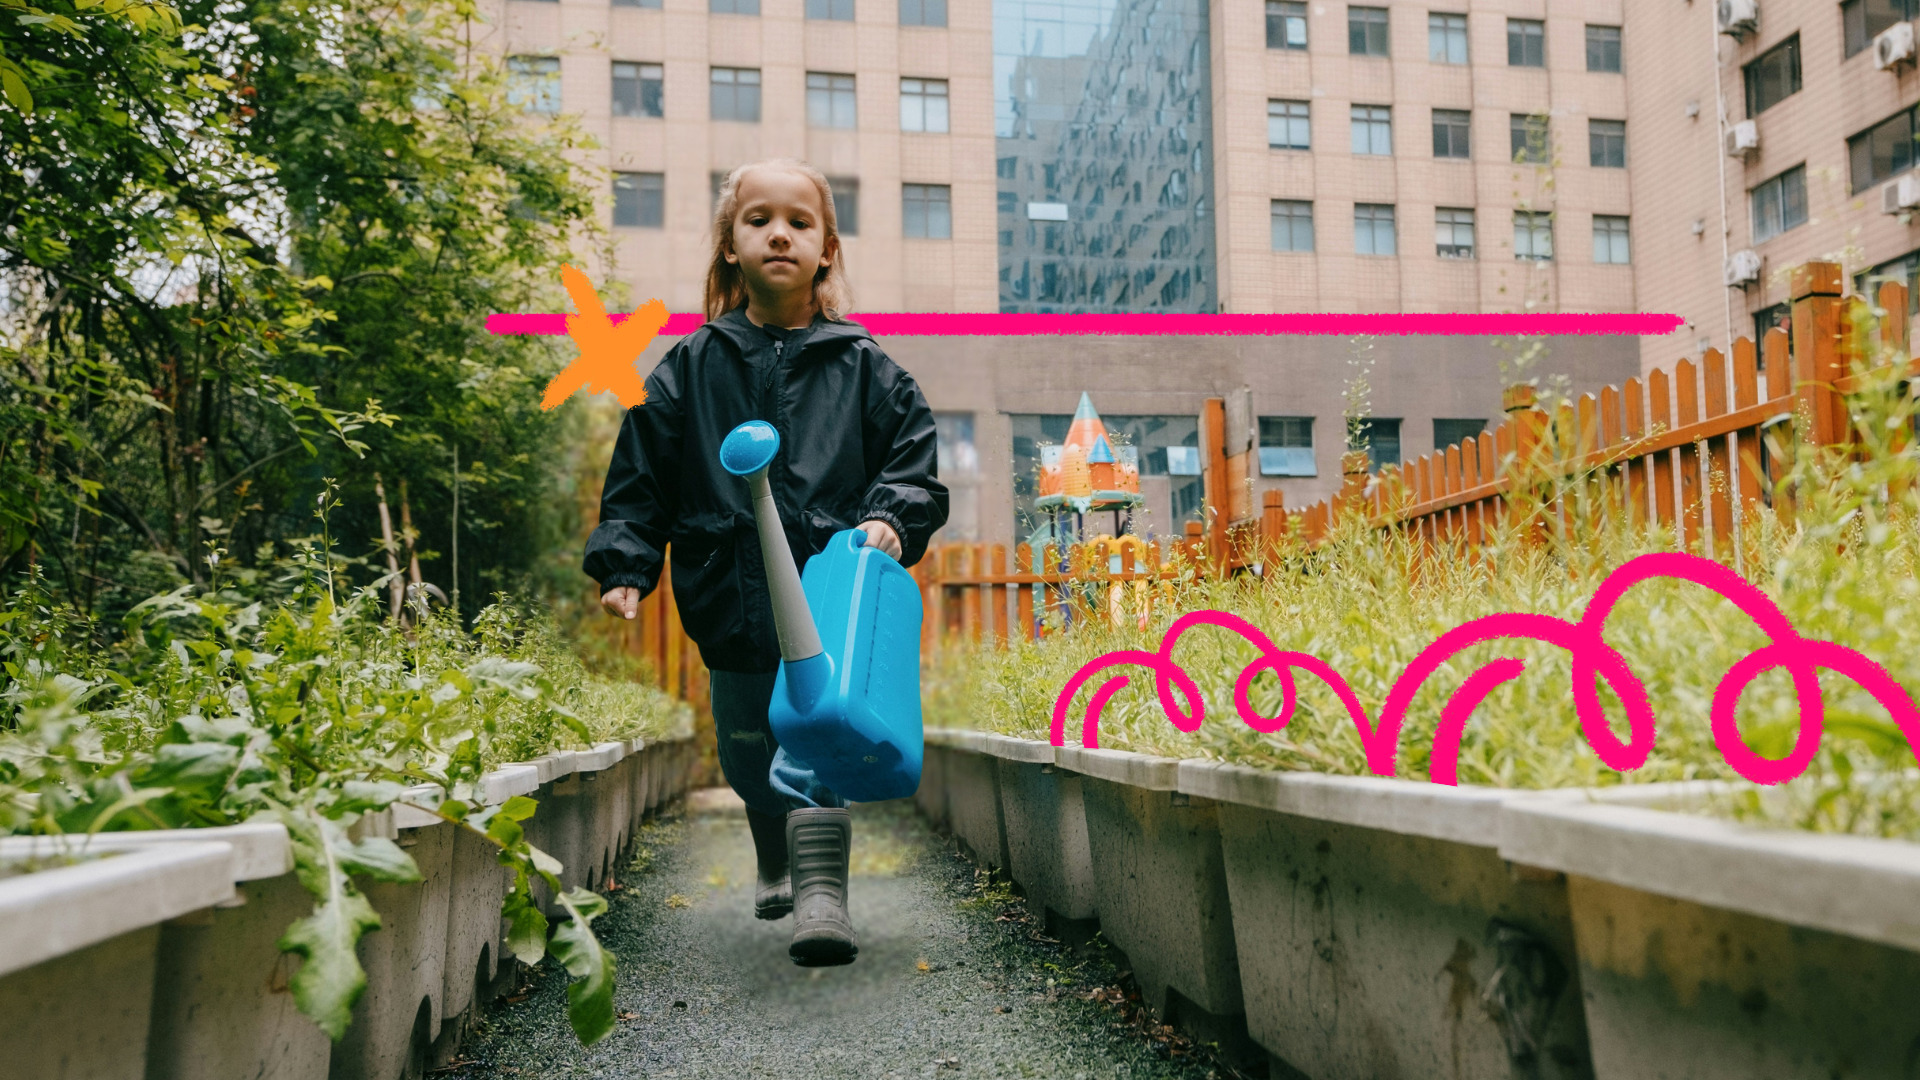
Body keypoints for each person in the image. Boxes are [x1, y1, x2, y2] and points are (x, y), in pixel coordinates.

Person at [584, 158, 948, 966]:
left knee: (814, 743)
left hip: (826, 593)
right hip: (728, 590)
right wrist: (626, 562)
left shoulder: (865, 368)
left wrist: (890, 516)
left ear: (826, 250)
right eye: (758, 220)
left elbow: (912, 461)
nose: (778, 232)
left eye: (799, 221)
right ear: (729, 247)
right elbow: (642, 470)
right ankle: (774, 850)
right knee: (750, 747)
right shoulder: (690, 366)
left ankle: (822, 898)